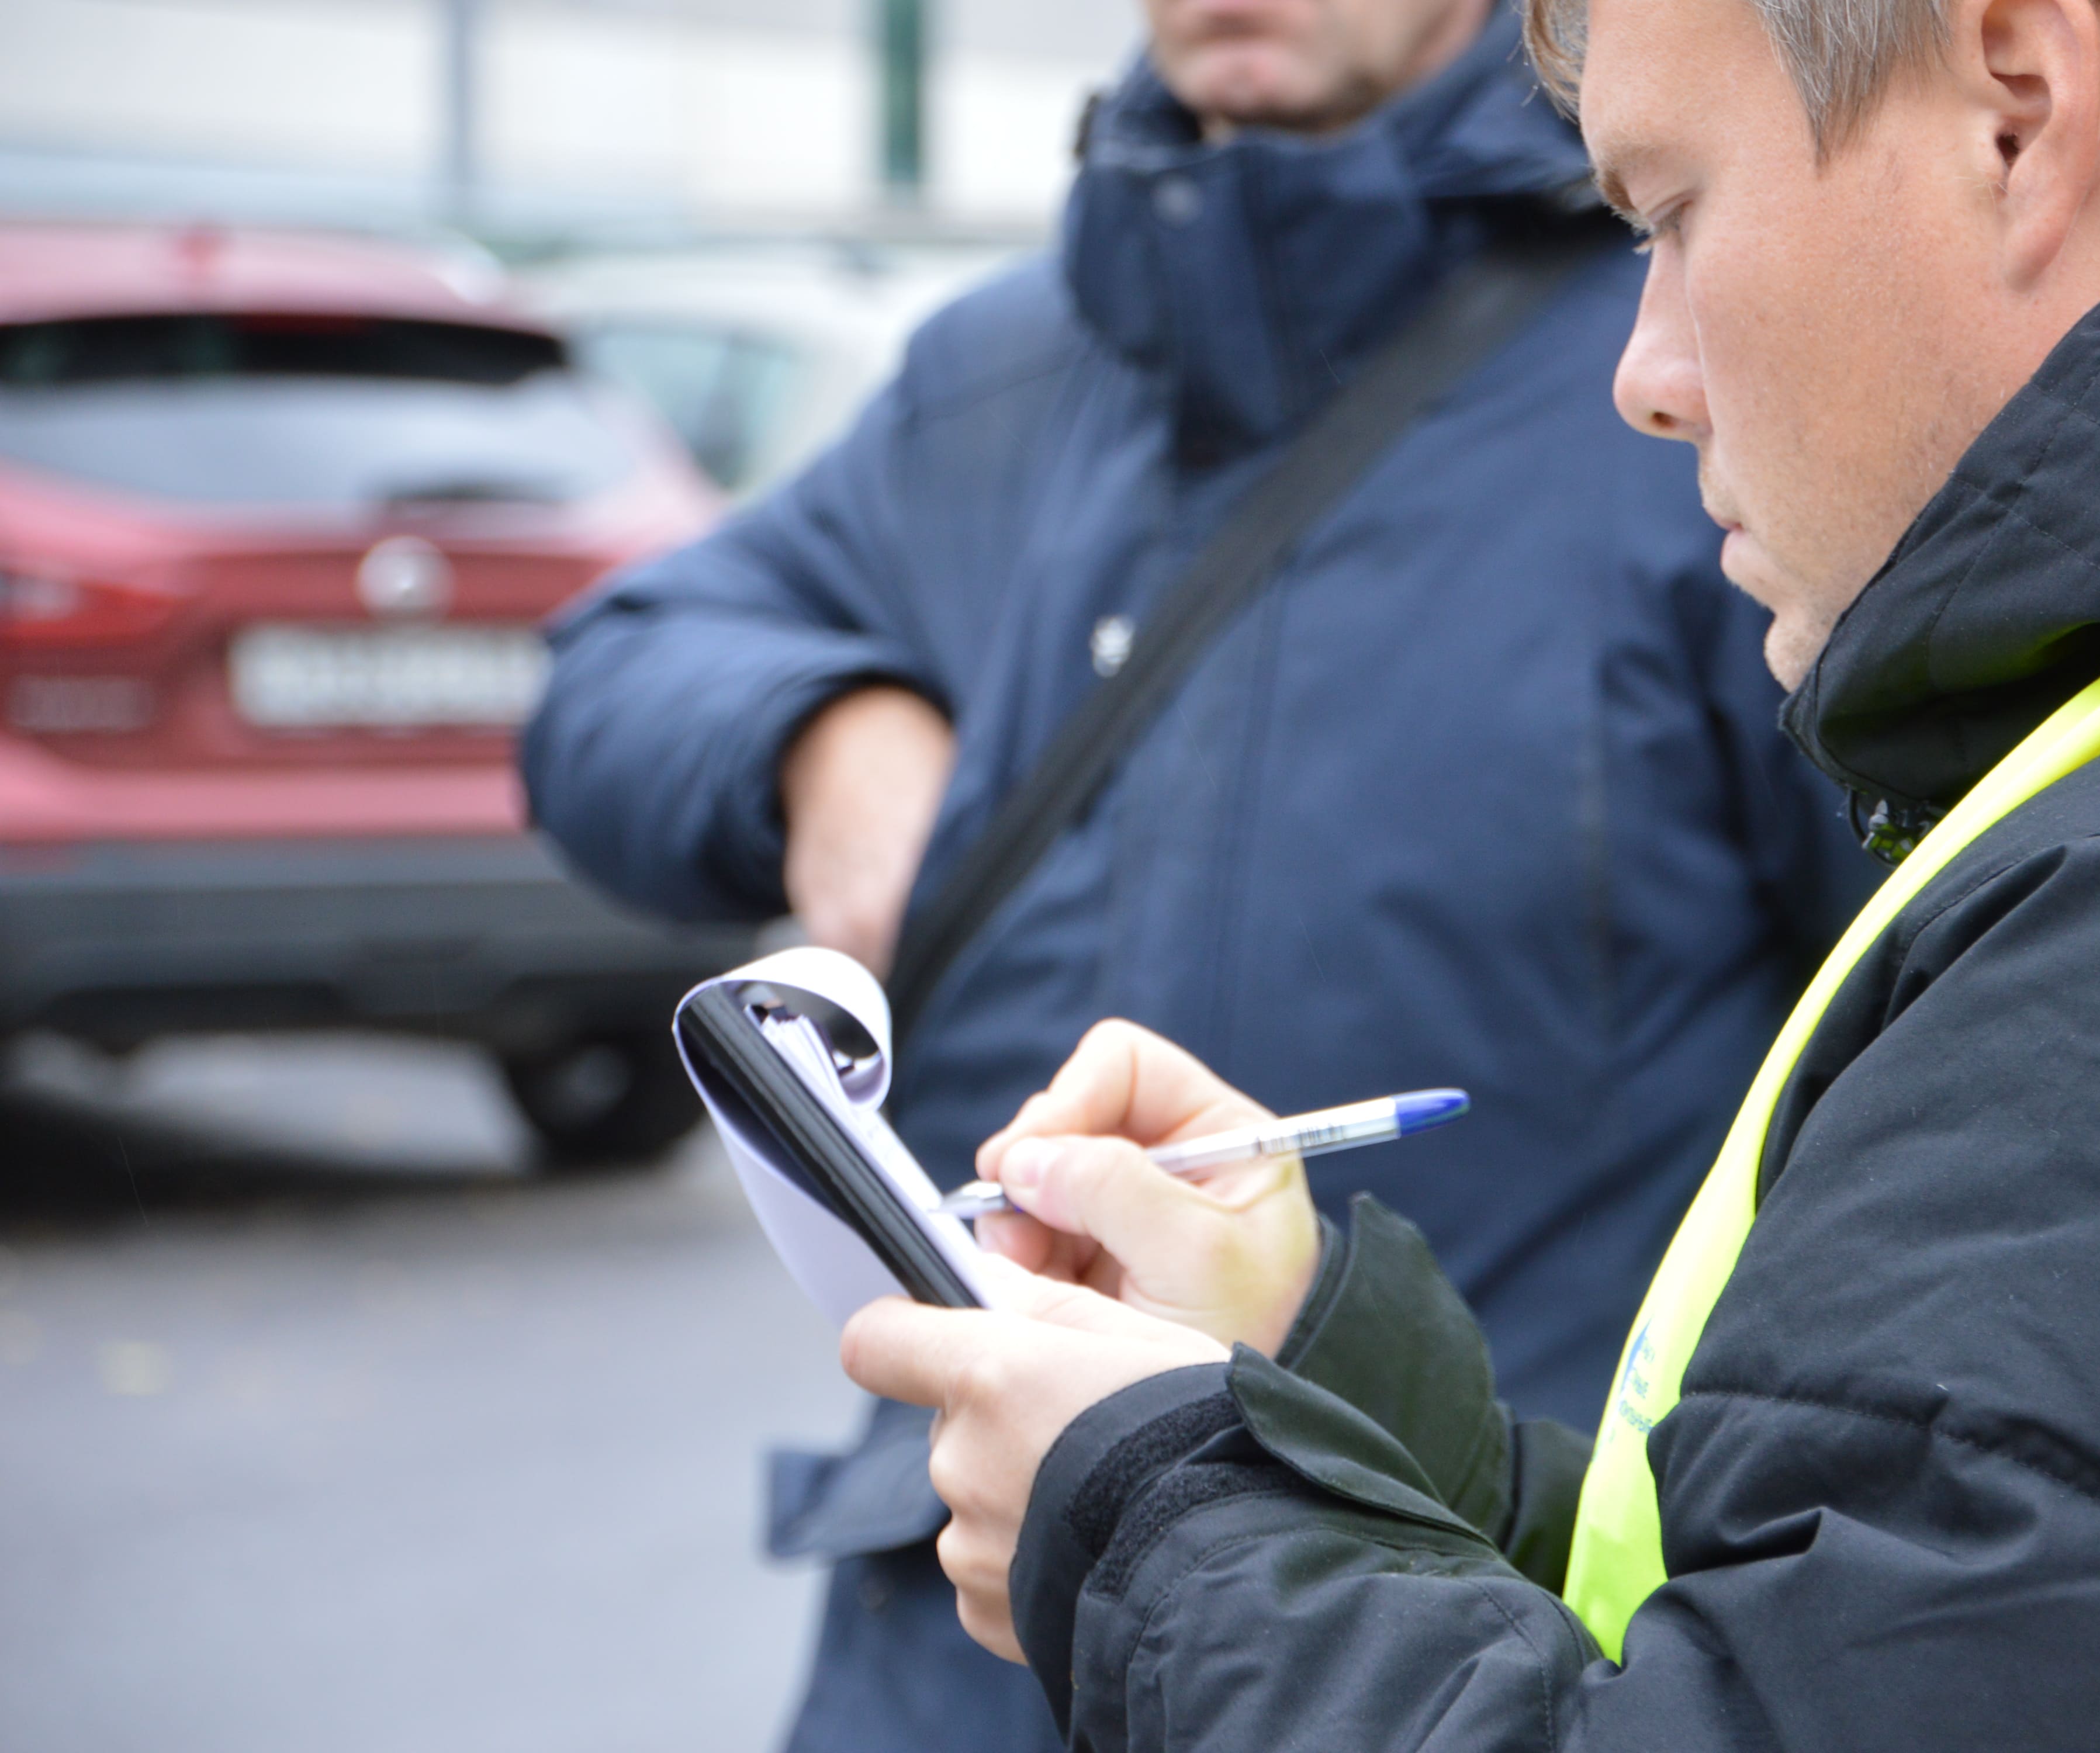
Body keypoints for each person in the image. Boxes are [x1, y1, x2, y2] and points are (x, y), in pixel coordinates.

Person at [837, 0, 2100, 1744]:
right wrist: (1325, 1392)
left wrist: (1165, 1527)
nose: (1647, 376)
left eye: (1674, 213)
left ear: (2018, 102)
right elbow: (1925, 1625)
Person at [520, 1, 1878, 1746]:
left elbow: (1926, 1042)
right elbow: (612, 671)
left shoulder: (1677, 388)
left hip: (1434, 1642)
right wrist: (813, 733)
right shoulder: (1001, 383)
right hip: (942, 1642)